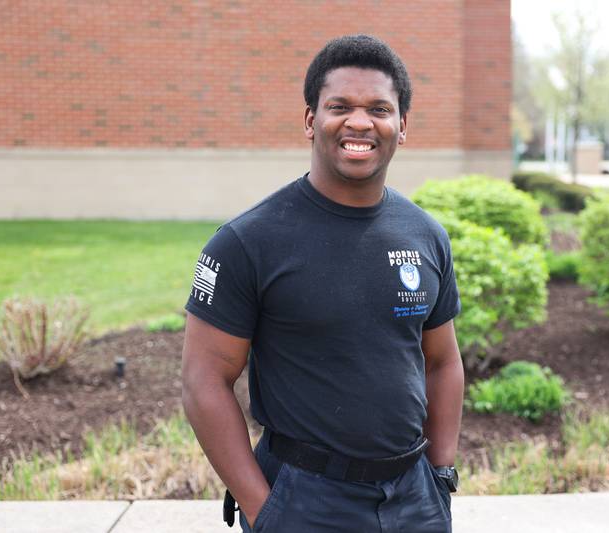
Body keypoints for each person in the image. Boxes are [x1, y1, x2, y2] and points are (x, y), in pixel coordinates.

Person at [181, 34, 463, 533]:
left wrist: (440, 476)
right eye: (340, 107)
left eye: (379, 108)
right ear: (311, 120)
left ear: (402, 128)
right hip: (302, 499)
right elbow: (205, 381)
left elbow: (442, 361)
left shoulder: (425, 235)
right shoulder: (247, 242)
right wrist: (262, 508)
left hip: (415, 498)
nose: (360, 122)